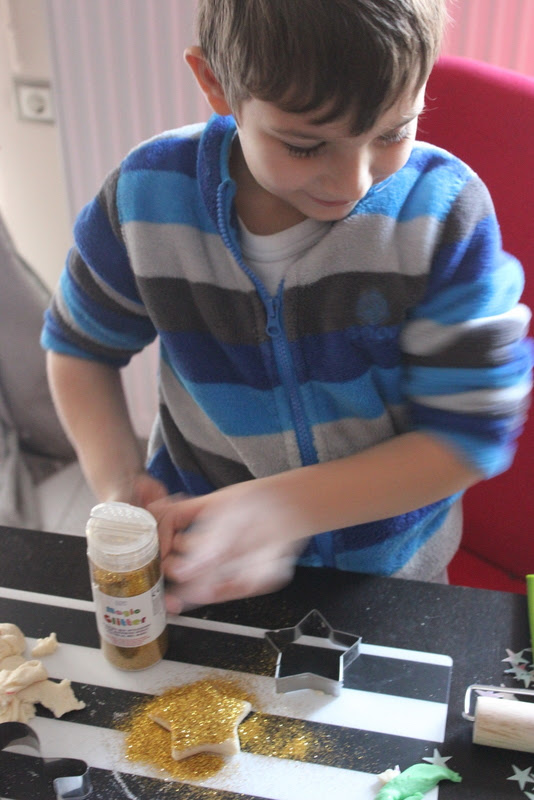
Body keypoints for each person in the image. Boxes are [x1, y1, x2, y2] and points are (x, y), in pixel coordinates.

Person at [42, 0, 531, 613]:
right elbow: (79, 349)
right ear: (215, 83)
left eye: (392, 133)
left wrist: (280, 508)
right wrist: (120, 487)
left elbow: (469, 433)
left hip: (388, 579)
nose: (353, 182)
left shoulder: (443, 213)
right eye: (305, 145)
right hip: (202, 559)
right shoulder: (146, 198)